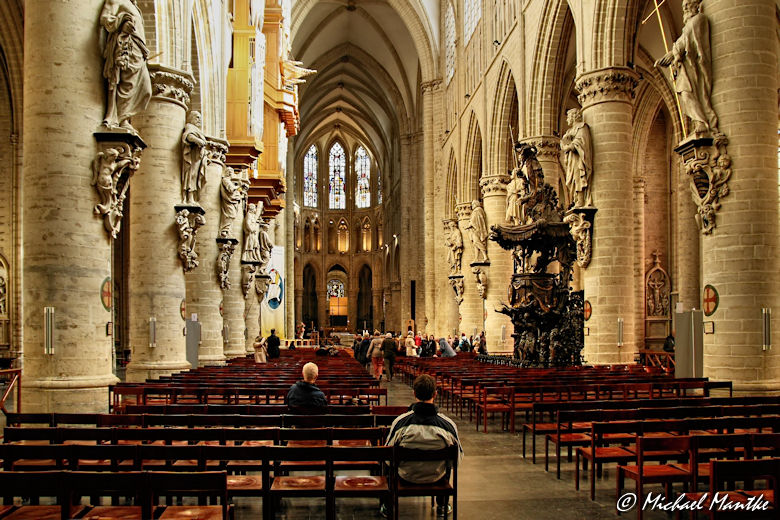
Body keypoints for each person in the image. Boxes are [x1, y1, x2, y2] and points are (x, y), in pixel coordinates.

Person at [381, 374, 463, 518]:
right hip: (436, 477)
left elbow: (388, 457)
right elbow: (456, 460)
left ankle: (388, 504)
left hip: (406, 476)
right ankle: (442, 504)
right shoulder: (448, 425)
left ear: (414, 394)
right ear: (435, 394)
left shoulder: (401, 422)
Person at [99, 0, 152, 132]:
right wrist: (122, 23)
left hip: (138, 50)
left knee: (146, 90)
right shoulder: (116, 0)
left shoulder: (135, 7)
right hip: (126, 47)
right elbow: (105, 18)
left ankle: (124, 118)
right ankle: (121, 119)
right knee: (126, 84)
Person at [560, 108, 593, 209]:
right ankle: (576, 199)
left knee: (578, 178)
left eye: (568, 117)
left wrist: (567, 146)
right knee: (573, 179)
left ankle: (581, 200)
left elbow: (580, 142)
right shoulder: (570, 130)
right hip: (572, 159)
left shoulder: (582, 127)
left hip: (578, 160)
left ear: (574, 116)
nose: (567, 120)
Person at [181, 110, 208, 205]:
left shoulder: (198, 130)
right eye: (197, 117)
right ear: (191, 118)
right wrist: (198, 141)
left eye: (200, 118)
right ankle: (189, 197)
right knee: (190, 176)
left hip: (197, 158)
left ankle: (192, 197)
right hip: (191, 157)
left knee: (195, 177)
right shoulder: (189, 126)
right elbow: (188, 136)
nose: (199, 120)